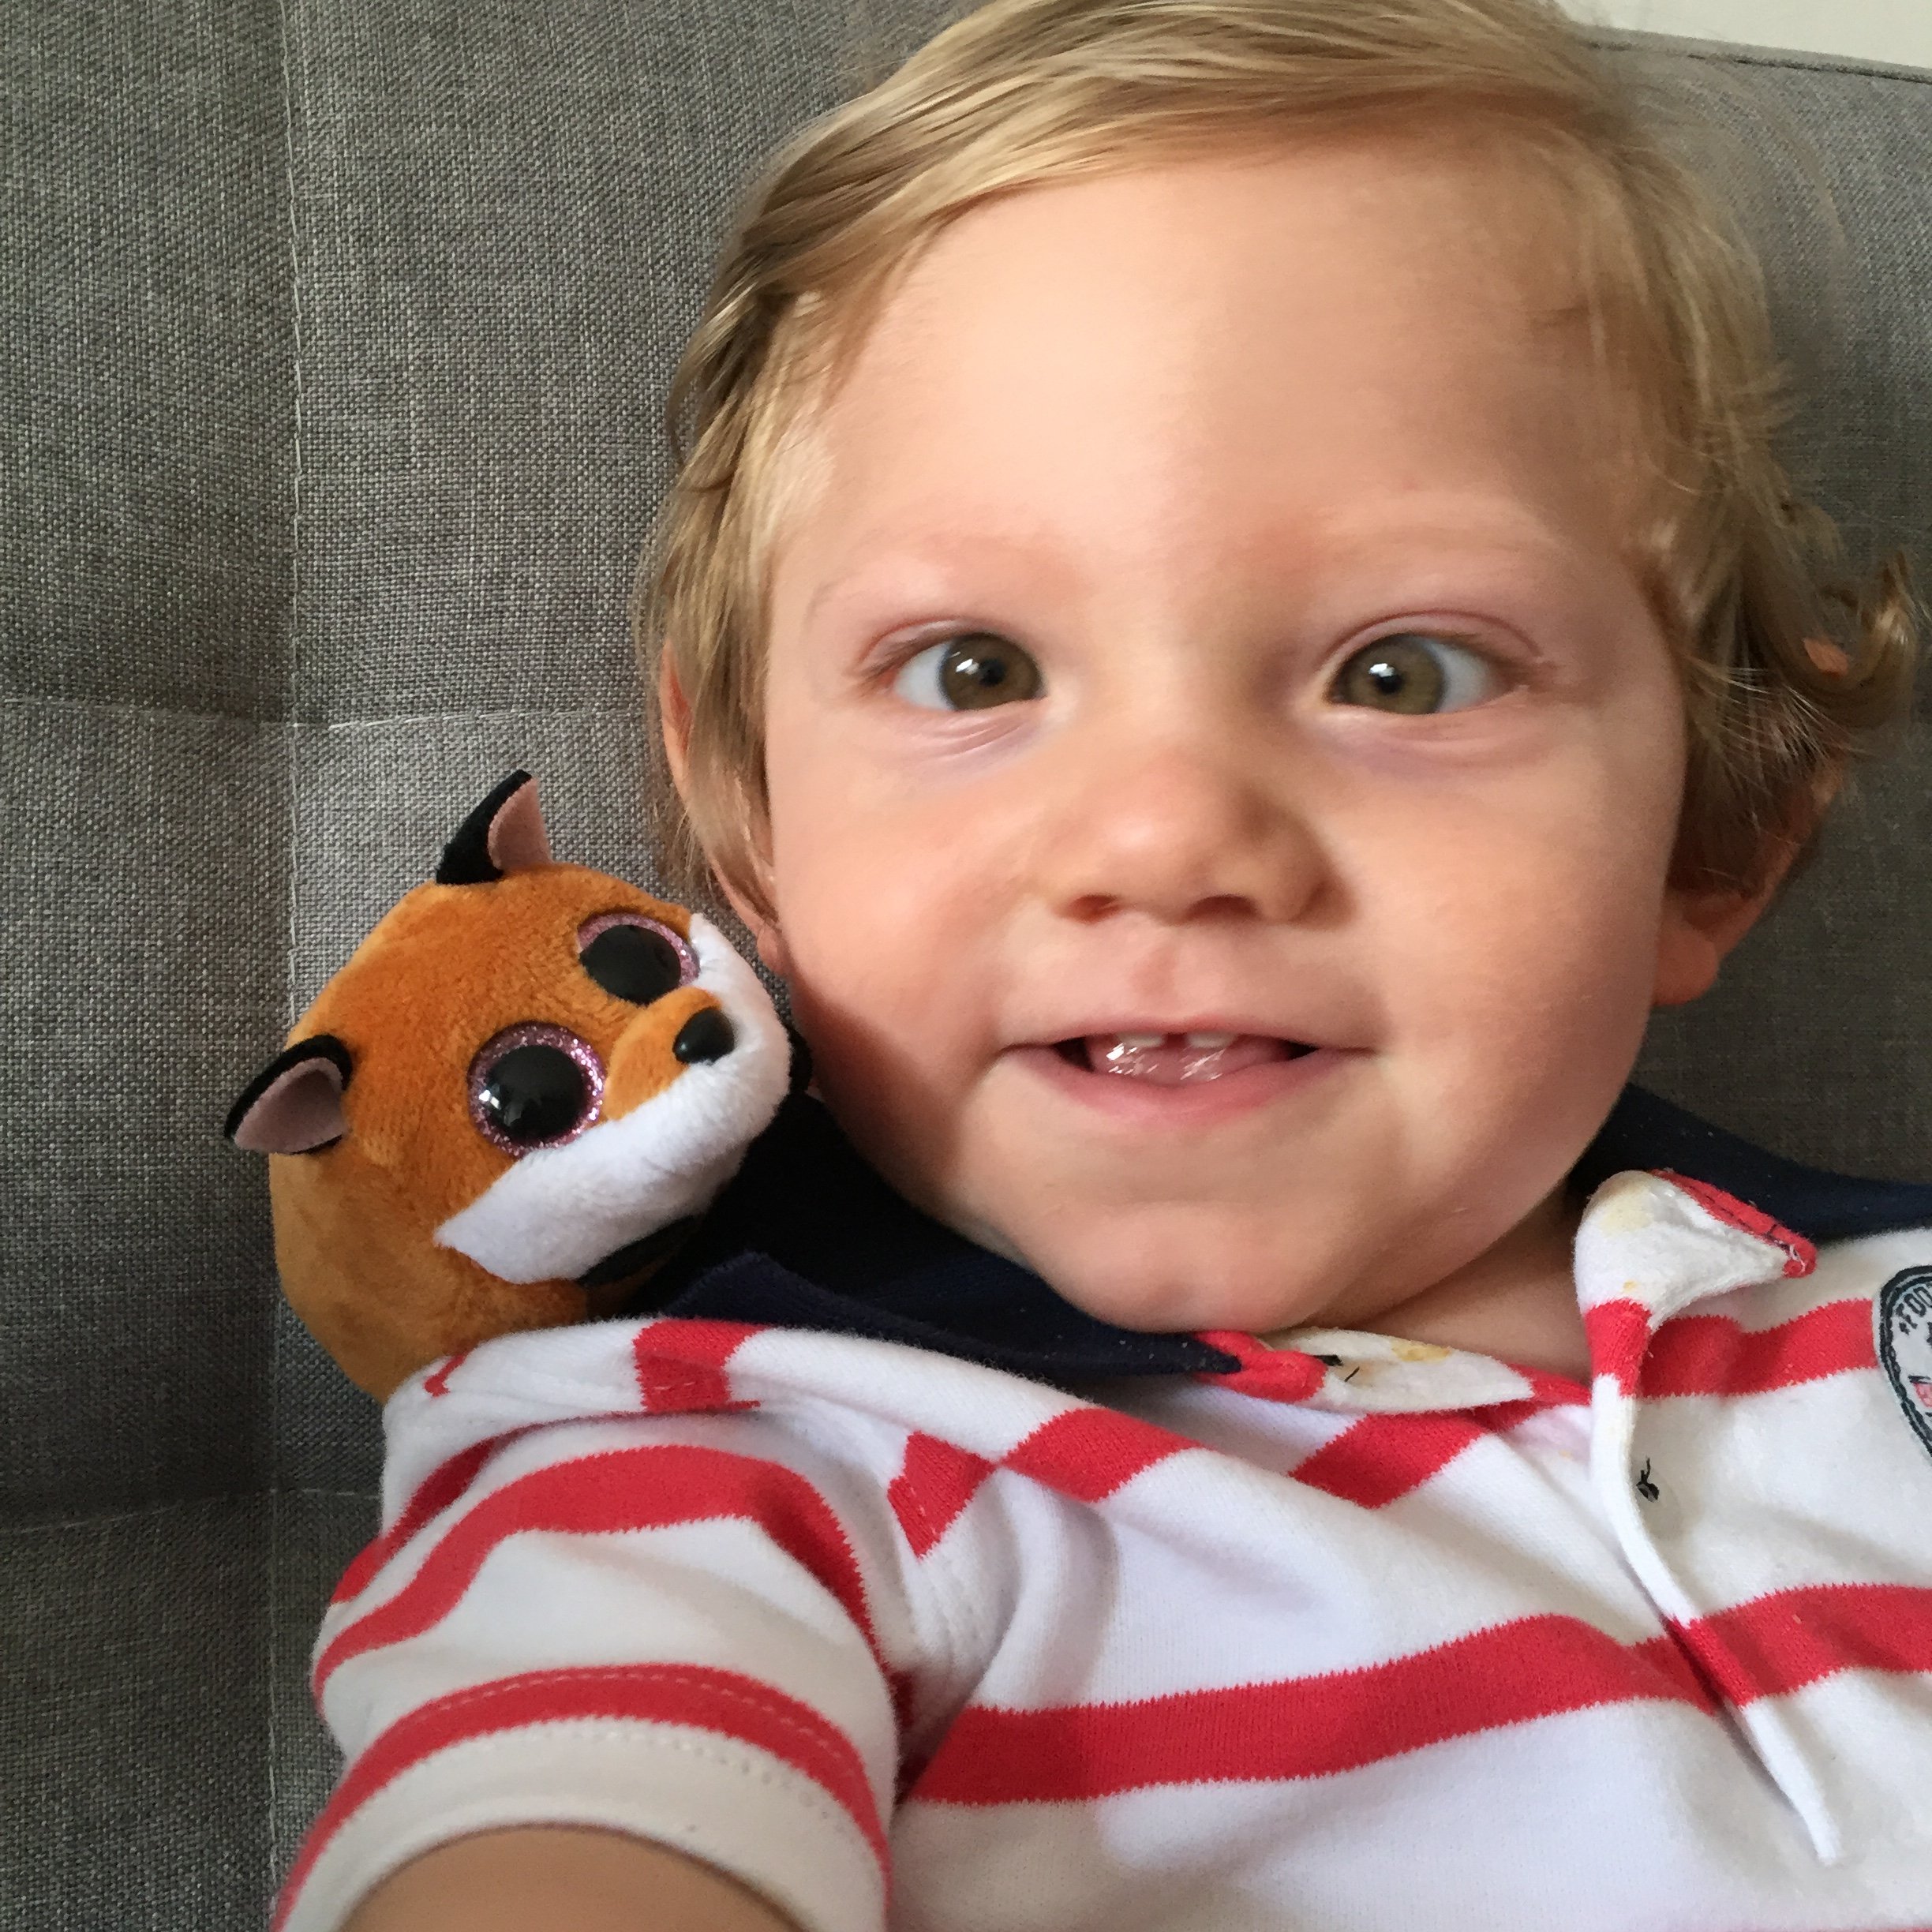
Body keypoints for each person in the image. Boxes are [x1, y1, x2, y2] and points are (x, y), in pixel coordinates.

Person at [283, 1, 1932, 1926]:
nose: (1165, 839)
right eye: (974, 671)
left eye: (1405, 672)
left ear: (1716, 834)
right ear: (751, 833)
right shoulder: (718, 1484)